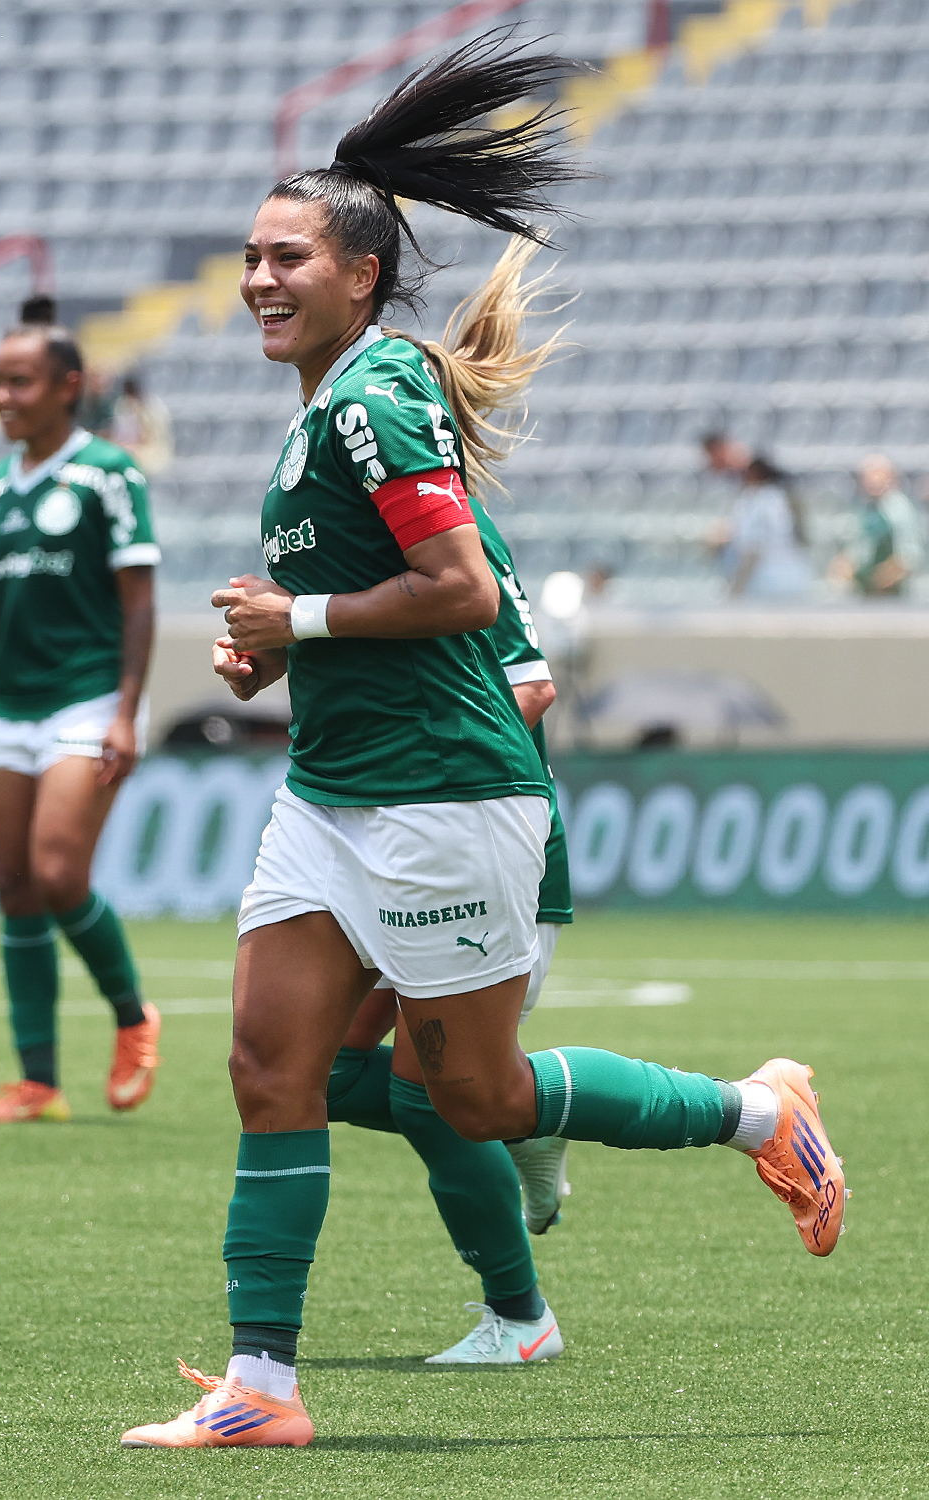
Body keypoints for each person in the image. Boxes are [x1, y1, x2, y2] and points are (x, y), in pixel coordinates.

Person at [120, 36, 846, 1453]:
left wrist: (301, 615)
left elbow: (455, 591)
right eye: (251, 258)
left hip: (447, 801)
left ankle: (760, 1111)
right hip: (333, 795)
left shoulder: (384, 394)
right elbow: (392, 609)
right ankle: (261, 1389)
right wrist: (279, 642)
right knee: (272, 1069)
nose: (260, 280)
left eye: (288, 260)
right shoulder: (325, 407)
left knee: (474, 1095)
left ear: (362, 275)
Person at [327, 452, 575, 1367]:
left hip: (463, 831)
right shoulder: (353, 541)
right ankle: (523, 1107)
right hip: (381, 837)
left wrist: (417, 764)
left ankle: (520, 1318)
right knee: (322, 1076)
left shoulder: (454, 536)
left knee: (424, 1088)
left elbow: (531, 683)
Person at [0, 295, 162, 1124]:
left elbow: (139, 601)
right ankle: (37, 1080)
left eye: (20, 382)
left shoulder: (110, 473)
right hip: (5, 708)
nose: (4, 397)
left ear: (68, 386)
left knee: (57, 873)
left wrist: (126, 712)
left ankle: (131, 1015)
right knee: (13, 887)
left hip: (86, 698)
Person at [714, 455, 813, 599]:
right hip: (776, 573)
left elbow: (756, 539)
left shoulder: (767, 499)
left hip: (772, 572)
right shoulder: (759, 497)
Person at [829, 453, 925, 597]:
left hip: (896, 590)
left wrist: (887, 574)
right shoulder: (863, 507)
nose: (874, 481)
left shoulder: (900, 508)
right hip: (865, 587)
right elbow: (858, 548)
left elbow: (911, 554)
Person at [110, 372, 174, 477]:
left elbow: (154, 438)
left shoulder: (153, 408)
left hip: (153, 453)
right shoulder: (123, 405)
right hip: (131, 449)